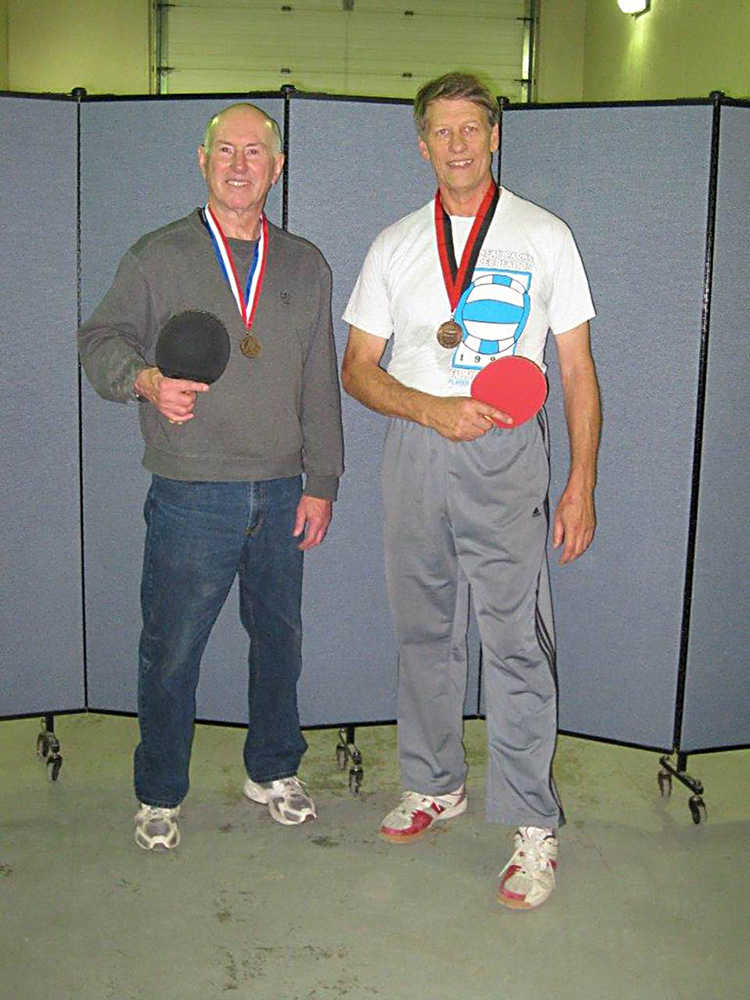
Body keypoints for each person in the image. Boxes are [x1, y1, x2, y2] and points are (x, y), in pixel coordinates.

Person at [341, 72, 601, 910]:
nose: (457, 143)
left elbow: (576, 371)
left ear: (494, 137)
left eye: (471, 128)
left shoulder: (543, 235)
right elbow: (357, 370)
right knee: (424, 631)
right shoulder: (394, 245)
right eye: (441, 131)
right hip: (415, 450)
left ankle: (531, 823)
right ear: (422, 144)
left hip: (505, 459)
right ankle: (434, 784)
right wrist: (431, 409)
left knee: (517, 641)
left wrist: (581, 484)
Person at [78, 103, 344, 850]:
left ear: (277, 167)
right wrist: (142, 380)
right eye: (224, 149)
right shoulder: (157, 255)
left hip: (284, 489)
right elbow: (99, 339)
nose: (238, 163)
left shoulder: (305, 264)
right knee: (171, 649)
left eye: (254, 151)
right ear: (201, 161)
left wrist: (322, 479)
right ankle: (160, 791)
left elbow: (319, 378)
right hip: (191, 491)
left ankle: (273, 768)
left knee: (279, 643)